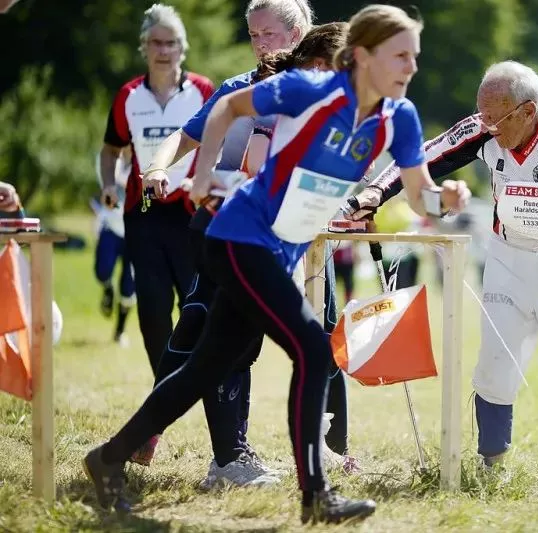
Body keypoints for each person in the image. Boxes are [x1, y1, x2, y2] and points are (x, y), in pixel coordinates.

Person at [82, 4, 471, 523]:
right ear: (364, 55)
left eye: (414, 56)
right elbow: (224, 111)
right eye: (401, 55)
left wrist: (448, 197)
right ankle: (315, 496)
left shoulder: (401, 118)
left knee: (205, 367)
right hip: (239, 237)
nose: (412, 67)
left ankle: (107, 458)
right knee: (313, 348)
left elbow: (421, 199)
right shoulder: (310, 90)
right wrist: (199, 181)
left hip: (275, 249)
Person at [347, 60, 538, 501]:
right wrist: (374, 193)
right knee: (494, 366)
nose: (486, 125)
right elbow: (421, 157)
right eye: (480, 112)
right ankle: (491, 466)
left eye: (494, 115)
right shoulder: (484, 128)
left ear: (528, 109)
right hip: (506, 260)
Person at [130, 1, 327, 490]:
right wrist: (157, 166)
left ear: (299, 32)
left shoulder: (324, 92)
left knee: (313, 337)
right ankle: (225, 458)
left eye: (270, 34)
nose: (260, 44)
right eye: (253, 35)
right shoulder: (238, 89)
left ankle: (327, 449)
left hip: (296, 241)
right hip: (227, 233)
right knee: (215, 330)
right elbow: (184, 137)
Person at [100, 4, 214, 375]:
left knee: (195, 304)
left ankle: (194, 378)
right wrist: (107, 185)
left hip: (191, 214)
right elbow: (110, 150)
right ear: (144, 47)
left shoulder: (203, 91)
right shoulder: (129, 95)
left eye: (171, 43)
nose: (163, 51)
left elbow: (222, 144)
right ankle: (164, 384)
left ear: (183, 48)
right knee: (151, 306)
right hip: (144, 213)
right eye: (156, 43)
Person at [92, 149, 135, 344]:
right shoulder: (110, 158)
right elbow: (107, 187)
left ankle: (120, 331)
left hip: (135, 231)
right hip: (111, 226)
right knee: (102, 272)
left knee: (128, 287)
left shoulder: (148, 156)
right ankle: (108, 289)